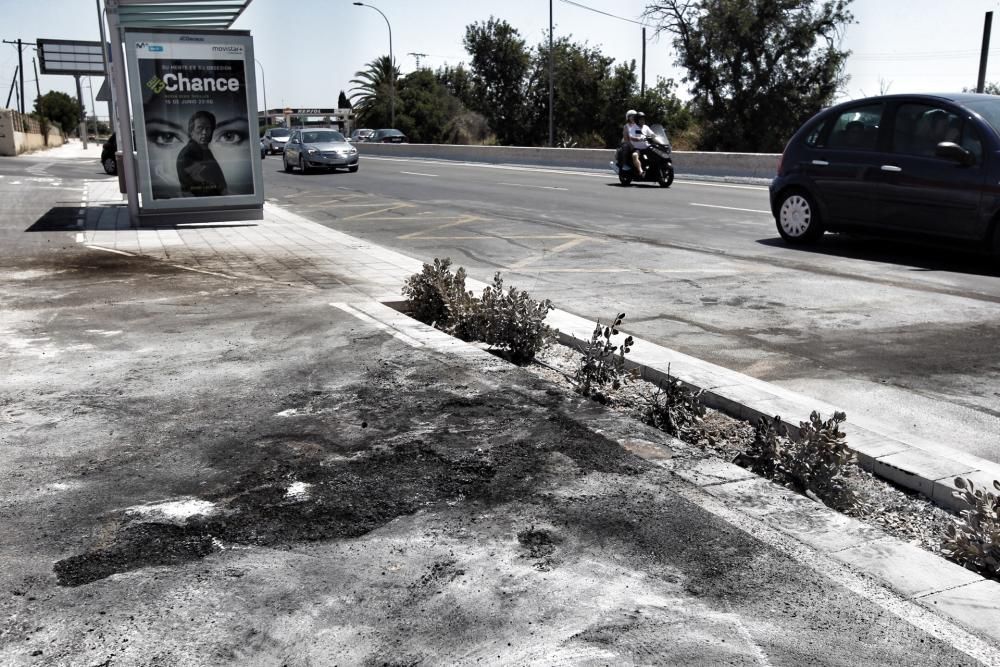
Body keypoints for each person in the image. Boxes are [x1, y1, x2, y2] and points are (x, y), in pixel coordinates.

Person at [176, 110, 229, 197]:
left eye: (208, 128)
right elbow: (204, 188)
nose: (204, 133)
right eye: (200, 128)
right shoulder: (188, 155)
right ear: (191, 131)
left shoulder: (204, 150)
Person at [629, 111, 653, 177]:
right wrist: (638, 139)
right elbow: (631, 137)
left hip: (647, 148)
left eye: (643, 119)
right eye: (641, 119)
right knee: (634, 155)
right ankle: (641, 171)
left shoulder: (646, 127)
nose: (643, 121)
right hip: (638, 149)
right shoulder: (634, 128)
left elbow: (653, 134)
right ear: (637, 120)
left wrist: (657, 137)